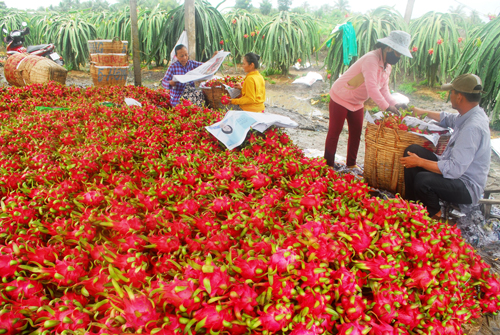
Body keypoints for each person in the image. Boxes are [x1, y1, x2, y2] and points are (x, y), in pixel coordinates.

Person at [400, 73, 491, 218]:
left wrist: (420, 162)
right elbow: (449, 119)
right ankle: (413, 204)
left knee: (423, 180)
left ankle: (434, 212)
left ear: (459, 97)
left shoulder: (472, 128)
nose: (450, 95)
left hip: (465, 185)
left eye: (452, 92)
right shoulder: (470, 114)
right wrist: (423, 112)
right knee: (412, 151)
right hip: (455, 170)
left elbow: (454, 170)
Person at [324, 30, 413, 169]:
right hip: (341, 97)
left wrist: (395, 104)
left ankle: (351, 164)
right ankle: (327, 165)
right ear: (388, 48)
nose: (398, 58)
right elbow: (372, 88)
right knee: (335, 132)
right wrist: (386, 107)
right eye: (397, 54)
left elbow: (384, 90)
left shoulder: (387, 66)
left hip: (357, 102)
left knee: (356, 133)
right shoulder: (371, 59)